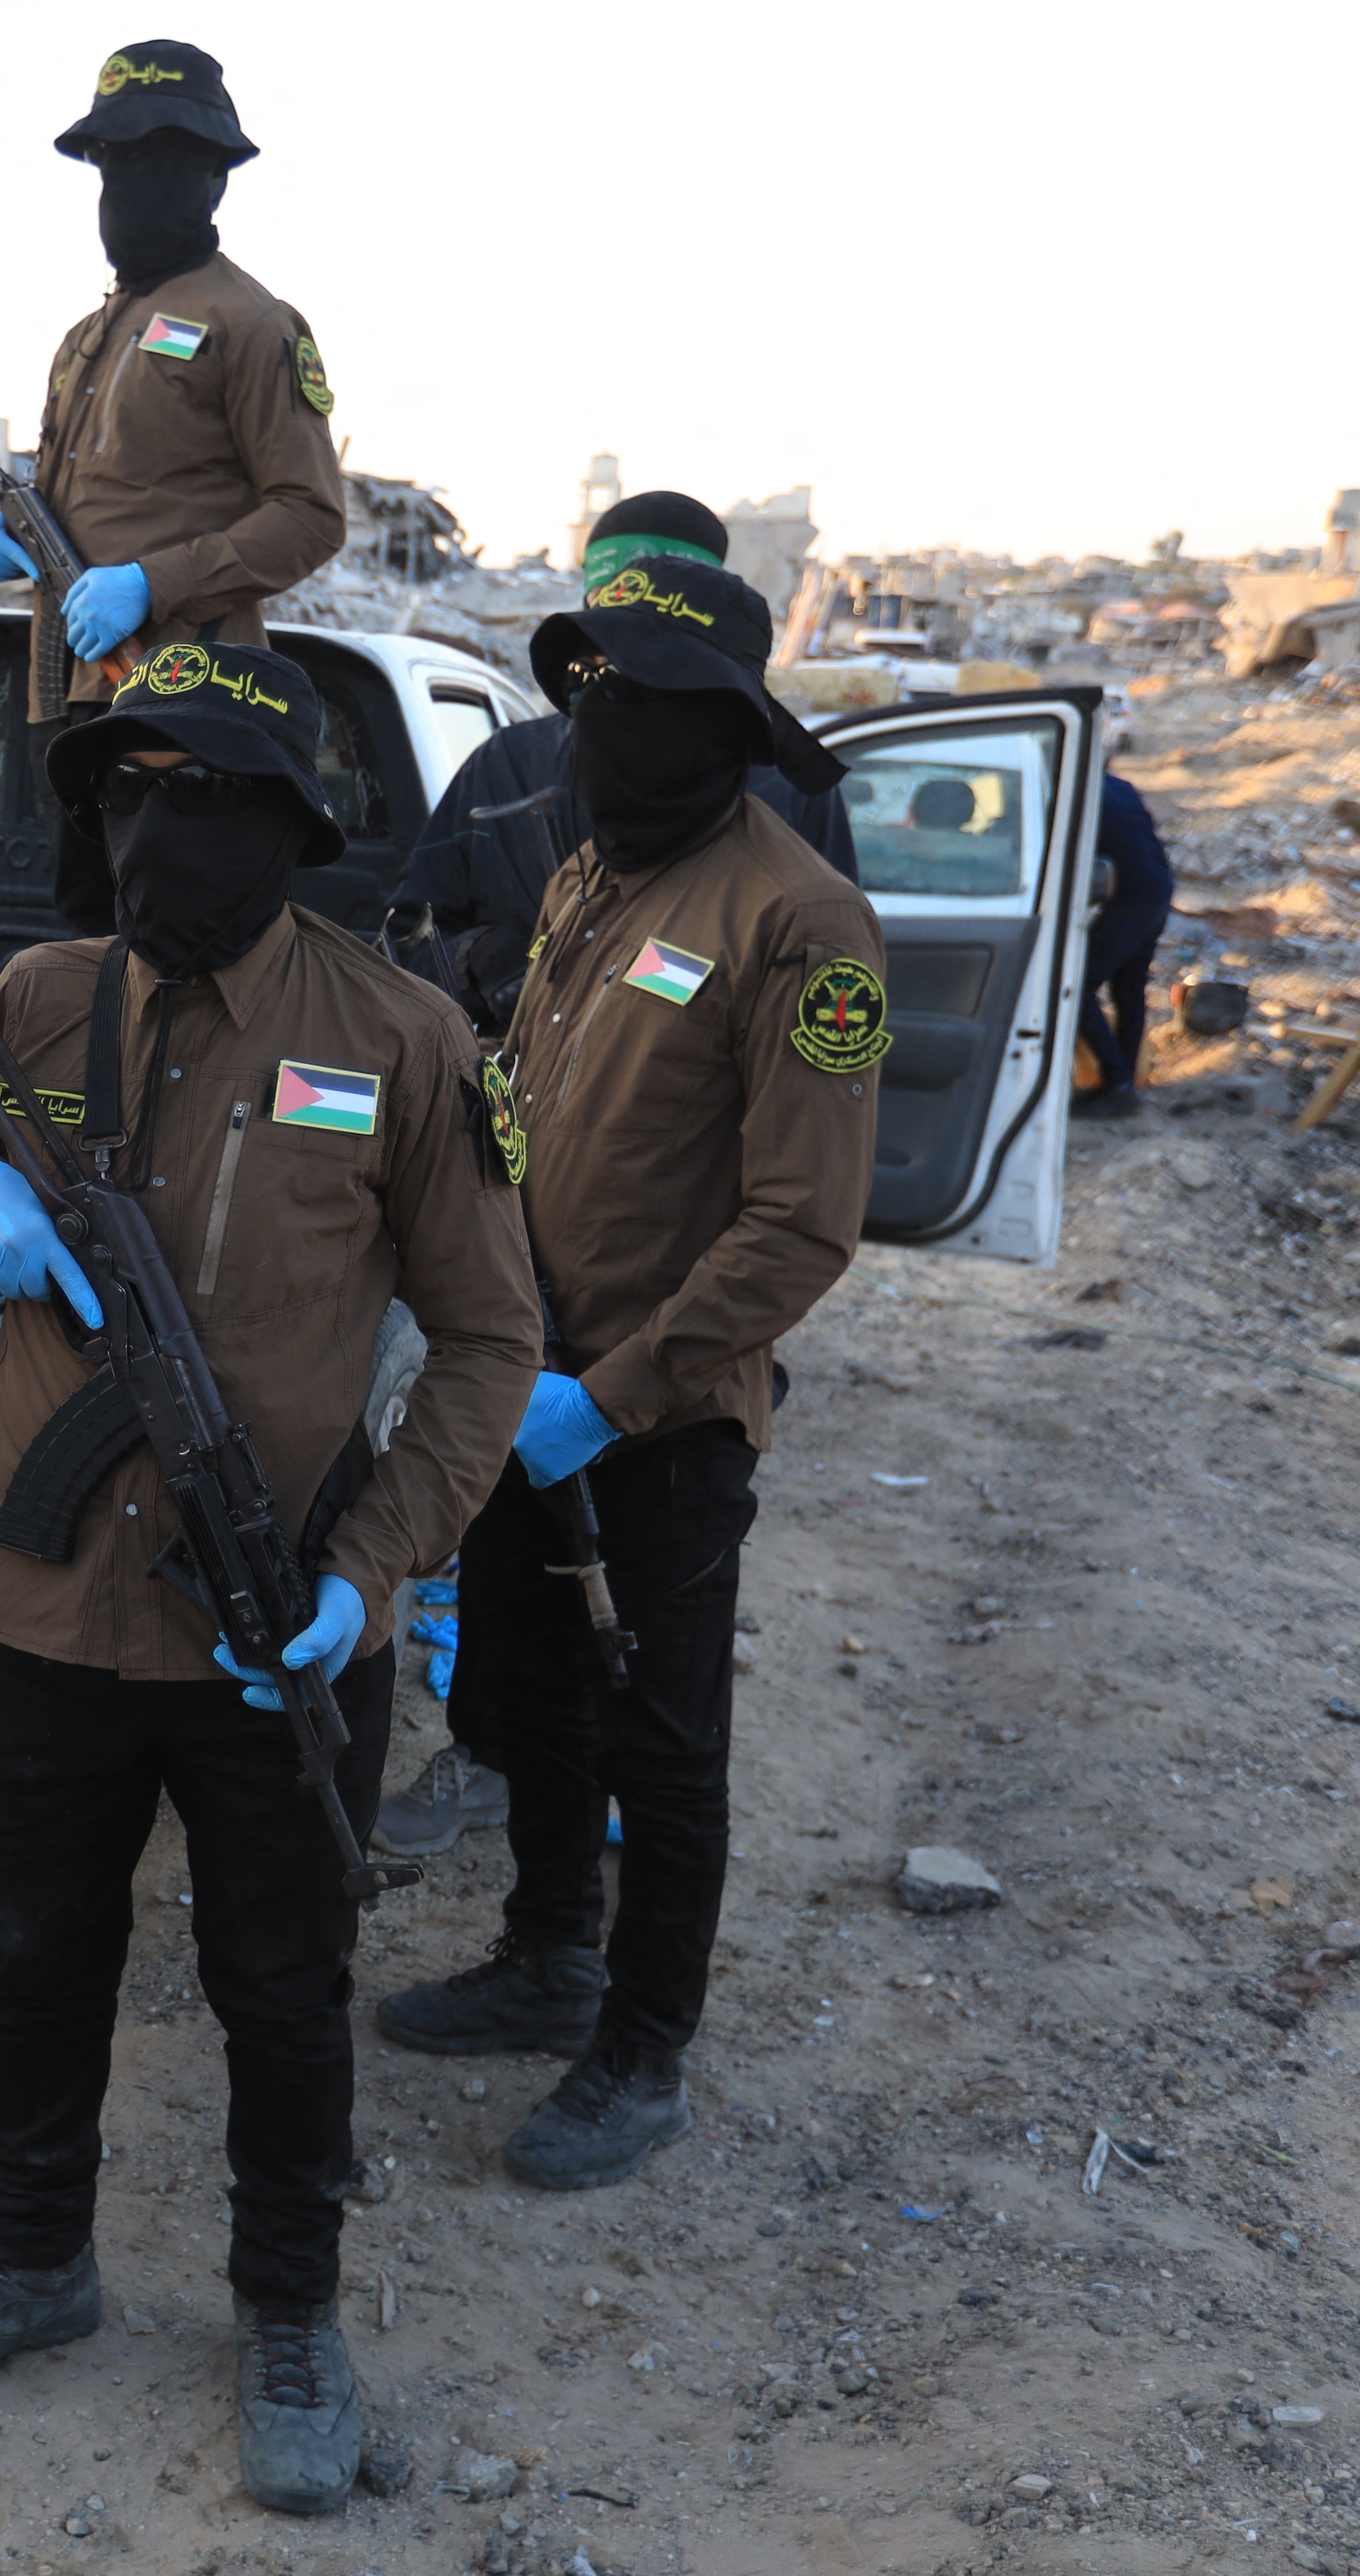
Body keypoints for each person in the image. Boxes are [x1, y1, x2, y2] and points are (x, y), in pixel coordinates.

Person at [0, 639, 540, 2513]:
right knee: (30, 1948)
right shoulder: (37, 993)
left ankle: (289, 2309)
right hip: (36, 1606)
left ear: (283, 825)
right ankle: (37, 2250)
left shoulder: (401, 1039)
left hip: (275, 1622)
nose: (158, 828)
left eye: (202, 795)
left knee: (283, 1983)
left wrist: (374, 1566)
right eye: (126, 792)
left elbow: (487, 1346)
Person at [372, 557, 883, 2192]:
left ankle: (643, 2047)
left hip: (657, 1415)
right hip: (525, 1385)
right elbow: (529, 1099)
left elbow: (804, 1229)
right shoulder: (593, 874)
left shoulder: (801, 921)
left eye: (642, 701)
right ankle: (546, 1959)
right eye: (590, 694)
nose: (602, 729)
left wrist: (614, 1389)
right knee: (526, 1694)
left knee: (660, 1740)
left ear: (722, 728)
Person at [0, 40, 346, 910]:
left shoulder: (251, 322)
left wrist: (151, 584)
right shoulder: (84, 341)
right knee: (87, 956)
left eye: (160, 160)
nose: (130, 184)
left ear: (215, 177)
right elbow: (76, 503)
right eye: (116, 161)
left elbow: (312, 516)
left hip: (188, 711)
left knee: (167, 963)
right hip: (70, 708)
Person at [381, 492, 864, 1046]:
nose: (607, 699)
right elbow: (404, 942)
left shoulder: (787, 806)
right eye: (590, 671)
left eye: (650, 672)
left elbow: (808, 1029)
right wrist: (482, 961)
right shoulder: (510, 768)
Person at [1071, 726, 1171, 1115]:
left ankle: (1117, 1082)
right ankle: (1126, 1083)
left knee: (1076, 987)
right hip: (1158, 889)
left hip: (1131, 897)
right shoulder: (1120, 786)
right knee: (1129, 990)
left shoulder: (1074, 794)